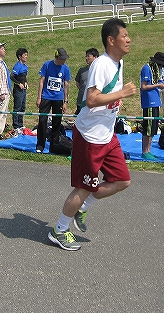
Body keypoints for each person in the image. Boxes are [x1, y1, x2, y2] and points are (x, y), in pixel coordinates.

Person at [48, 18, 136, 251]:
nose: (129, 39)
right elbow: (92, 99)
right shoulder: (101, 64)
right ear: (111, 40)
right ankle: (59, 230)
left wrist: (117, 98)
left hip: (107, 135)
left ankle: (83, 208)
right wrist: (123, 93)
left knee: (122, 181)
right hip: (90, 137)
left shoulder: (118, 63)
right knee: (85, 185)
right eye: (124, 36)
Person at [35, 48, 71, 154]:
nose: (64, 61)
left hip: (58, 98)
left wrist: (65, 101)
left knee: (57, 122)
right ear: (57, 57)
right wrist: (39, 97)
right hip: (46, 96)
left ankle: (55, 144)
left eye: (65, 59)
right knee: (42, 120)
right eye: (62, 59)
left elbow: (66, 85)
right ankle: (40, 145)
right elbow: (42, 81)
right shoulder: (47, 65)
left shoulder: (66, 69)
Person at [140, 53, 164, 160]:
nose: (161, 67)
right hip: (149, 101)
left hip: (155, 100)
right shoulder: (147, 68)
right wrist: (158, 85)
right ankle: (145, 151)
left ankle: (148, 150)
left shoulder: (155, 70)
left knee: (153, 128)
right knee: (148, 128)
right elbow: (144, 86)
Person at [74, 48, 99, 116]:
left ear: (95, 57)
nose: (86, 58)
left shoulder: (100, 71)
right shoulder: (82, 70)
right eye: (86, 56)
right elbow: (78, 83)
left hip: (94, 102)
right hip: (81, 101)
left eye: (88, 56)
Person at [10, 48, 29, 130]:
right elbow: (12, 76)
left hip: (24, 90)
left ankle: (21, 124)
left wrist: (26, 83)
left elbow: (24, 77)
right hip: (18, 90)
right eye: (25, 55)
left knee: (23, 107)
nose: (26, 57)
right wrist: (18, 83)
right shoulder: (17, 66)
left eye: (27, 55)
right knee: (17, 107)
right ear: (19, 57)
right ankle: (16, 125)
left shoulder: (25, 67)